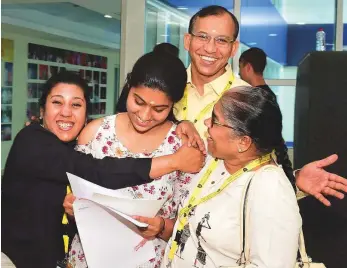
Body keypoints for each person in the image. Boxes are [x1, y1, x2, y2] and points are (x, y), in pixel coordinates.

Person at [1, 71, 204, 268]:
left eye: (76, 105)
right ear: (42, 110)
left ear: (86, 114)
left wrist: (181, 123)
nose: (66, 112)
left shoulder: (74, 146)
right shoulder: (31, 141)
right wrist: (174, 161)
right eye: (57, 102)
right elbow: (99, 171)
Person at [173, 4, 347, 206]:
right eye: (203, 37)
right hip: (152, 223)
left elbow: (264, 169)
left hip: (223, 223)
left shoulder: (250, 100)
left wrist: (296, 182)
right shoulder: (164, 90)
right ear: (188, 41)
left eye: (222, 40)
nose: (210, 48)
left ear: (234, 49)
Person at [66, 51, 202, 268]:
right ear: (129, 86)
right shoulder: (95, 133)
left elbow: (190, 227)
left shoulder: (182, 147)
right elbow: (79, 201)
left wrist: (161, 227)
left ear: (174, 103)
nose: (145, 115)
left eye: (159, 109)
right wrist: (74, 210)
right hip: (88, 259)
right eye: (138, 101)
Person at [162, 86, 303, 267]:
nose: (206, 123)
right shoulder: (217, 160)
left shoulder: (269, 188)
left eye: (214, 120)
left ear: (243, 142)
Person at [116, 43, 179, 113]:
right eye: (138, 102)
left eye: (159, 109)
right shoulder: (139, 76)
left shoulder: (175, 84)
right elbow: (121, 108)